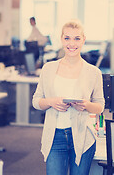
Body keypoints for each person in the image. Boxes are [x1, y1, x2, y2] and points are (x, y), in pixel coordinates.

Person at [32, 19, 105, 175]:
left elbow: (100, 106)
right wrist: (51, 102)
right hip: (55, 136)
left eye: (77, 38)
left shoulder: (93, 72)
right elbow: (36, 101)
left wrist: (86, 104)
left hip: (82, 136)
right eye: (67, 38)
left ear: (83, 40)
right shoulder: (48, 68)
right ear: (61, 39)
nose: (72, 43)